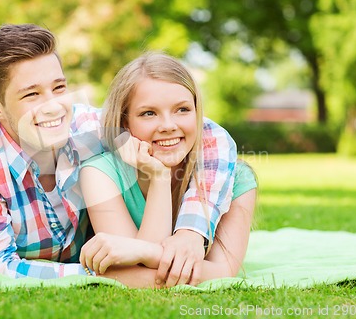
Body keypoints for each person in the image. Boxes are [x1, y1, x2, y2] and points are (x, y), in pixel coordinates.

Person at [0, 24, 237, 281]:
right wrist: (105, 273)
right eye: (32, 94)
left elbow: (208, 135)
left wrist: (191, 232)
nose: (53, 106)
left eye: (58, 88)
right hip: (58, 262)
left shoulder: (88, 127)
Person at [79, 52, 257, 287]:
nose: (168, 126)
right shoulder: (100, 174)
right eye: (148, 113)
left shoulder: (236, 179)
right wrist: (159, 177)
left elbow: (224, 272)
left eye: (182, 110)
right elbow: (126, 271)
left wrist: (147, 254)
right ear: (125, 122)